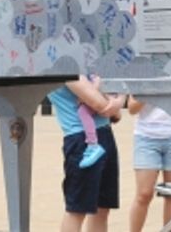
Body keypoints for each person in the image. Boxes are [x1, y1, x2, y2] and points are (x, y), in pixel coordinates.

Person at [49, 76, 126, 232]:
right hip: (81, 139)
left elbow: (115, 111)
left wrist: (117, 102)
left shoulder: (85, 62)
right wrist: (114, 102)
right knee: (77, 209)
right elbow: (98, 104)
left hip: (104, 133)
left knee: (102, 208)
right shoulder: (65, 64)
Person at [126, 96, 171, 232]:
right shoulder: (143, 75)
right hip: (146, 136)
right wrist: (151, 91)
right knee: (144, 193)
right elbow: (132, 108)